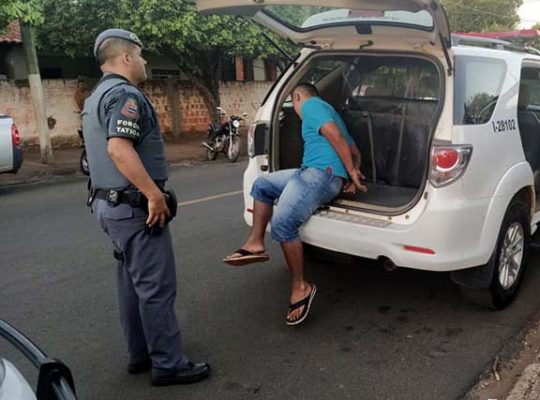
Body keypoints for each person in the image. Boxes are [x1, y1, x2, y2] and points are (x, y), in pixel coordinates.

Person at [82, 29, 210, 386]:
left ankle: (140, 353)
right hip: (134, 209)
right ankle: (169, 364)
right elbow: (118, 149)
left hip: (107, 205)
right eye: (141, 55)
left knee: (130, 281)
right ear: (125, 58)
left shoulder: (95, 97)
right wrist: (153, 195)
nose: (145, 62)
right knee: (155, 287)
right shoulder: (124, 94)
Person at [223, 82, 365, 325]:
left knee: (283, 223)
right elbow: (355, 149)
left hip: (321, 175)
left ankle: (301, 287)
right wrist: (353, 170)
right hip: (312, 172)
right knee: (262, 185)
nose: (295, 110)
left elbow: (335, 135)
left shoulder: (311, 105)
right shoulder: (330, 111)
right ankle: (255, 243)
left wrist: (350, 173)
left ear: (297, 97)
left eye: (293, 102)